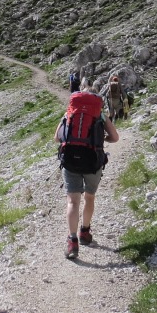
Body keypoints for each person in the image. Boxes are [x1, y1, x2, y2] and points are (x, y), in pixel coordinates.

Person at [55, 96, 119, 260]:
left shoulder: (69, 113)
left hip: (70, 163)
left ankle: (72, 241)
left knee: (72, 202)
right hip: (92, 162)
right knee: (89, 198)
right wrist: (99, 140)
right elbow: (115, 137)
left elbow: (57, 138)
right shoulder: (100, 115)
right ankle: (85, 231)